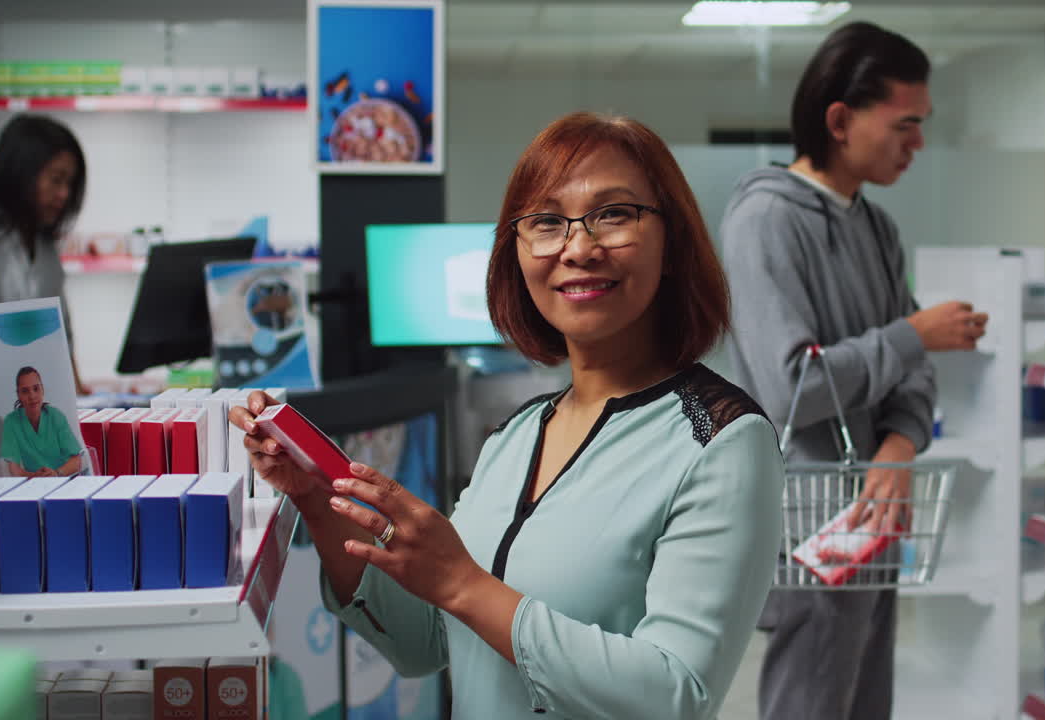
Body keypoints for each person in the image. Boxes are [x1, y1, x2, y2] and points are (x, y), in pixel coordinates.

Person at [231, 111, 784, 718]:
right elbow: (424, 642)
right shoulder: (516, 436)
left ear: (672, 241)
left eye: (613, 214)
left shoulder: (723, 441)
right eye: (546, 222)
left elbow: (678, 695)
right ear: (516, 252)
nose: (579, 247)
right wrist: (317, 499)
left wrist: (463, 585)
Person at [719, 22, 988, 720]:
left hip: (876, 510)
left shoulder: (876, 227)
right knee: (810, 703)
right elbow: (793, 389)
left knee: (866, 703)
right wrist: (912, 334)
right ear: (839, 121)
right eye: (905, 125)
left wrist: (898, 446)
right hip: (808, 524)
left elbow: (914, 373)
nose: (918, 143)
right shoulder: (765, 221)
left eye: (922, 124)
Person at [0, 113, 90, 394]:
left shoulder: (45, 247)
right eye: (56, 180)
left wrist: (79, 394)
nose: (64, 195)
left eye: (70, 184)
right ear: (23, 175)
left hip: (30, 397)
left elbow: (62, 337)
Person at [1, 366, 83, 477]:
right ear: (18, 395)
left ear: (42, 390)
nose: (32, 396)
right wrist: (36, 477)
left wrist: (56, 474)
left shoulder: (56, 417)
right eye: (25, 391)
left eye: (36, 389)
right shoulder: (11, 422)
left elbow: (76, 461)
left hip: (63, 479)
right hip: (32, 483)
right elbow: (14, 469)